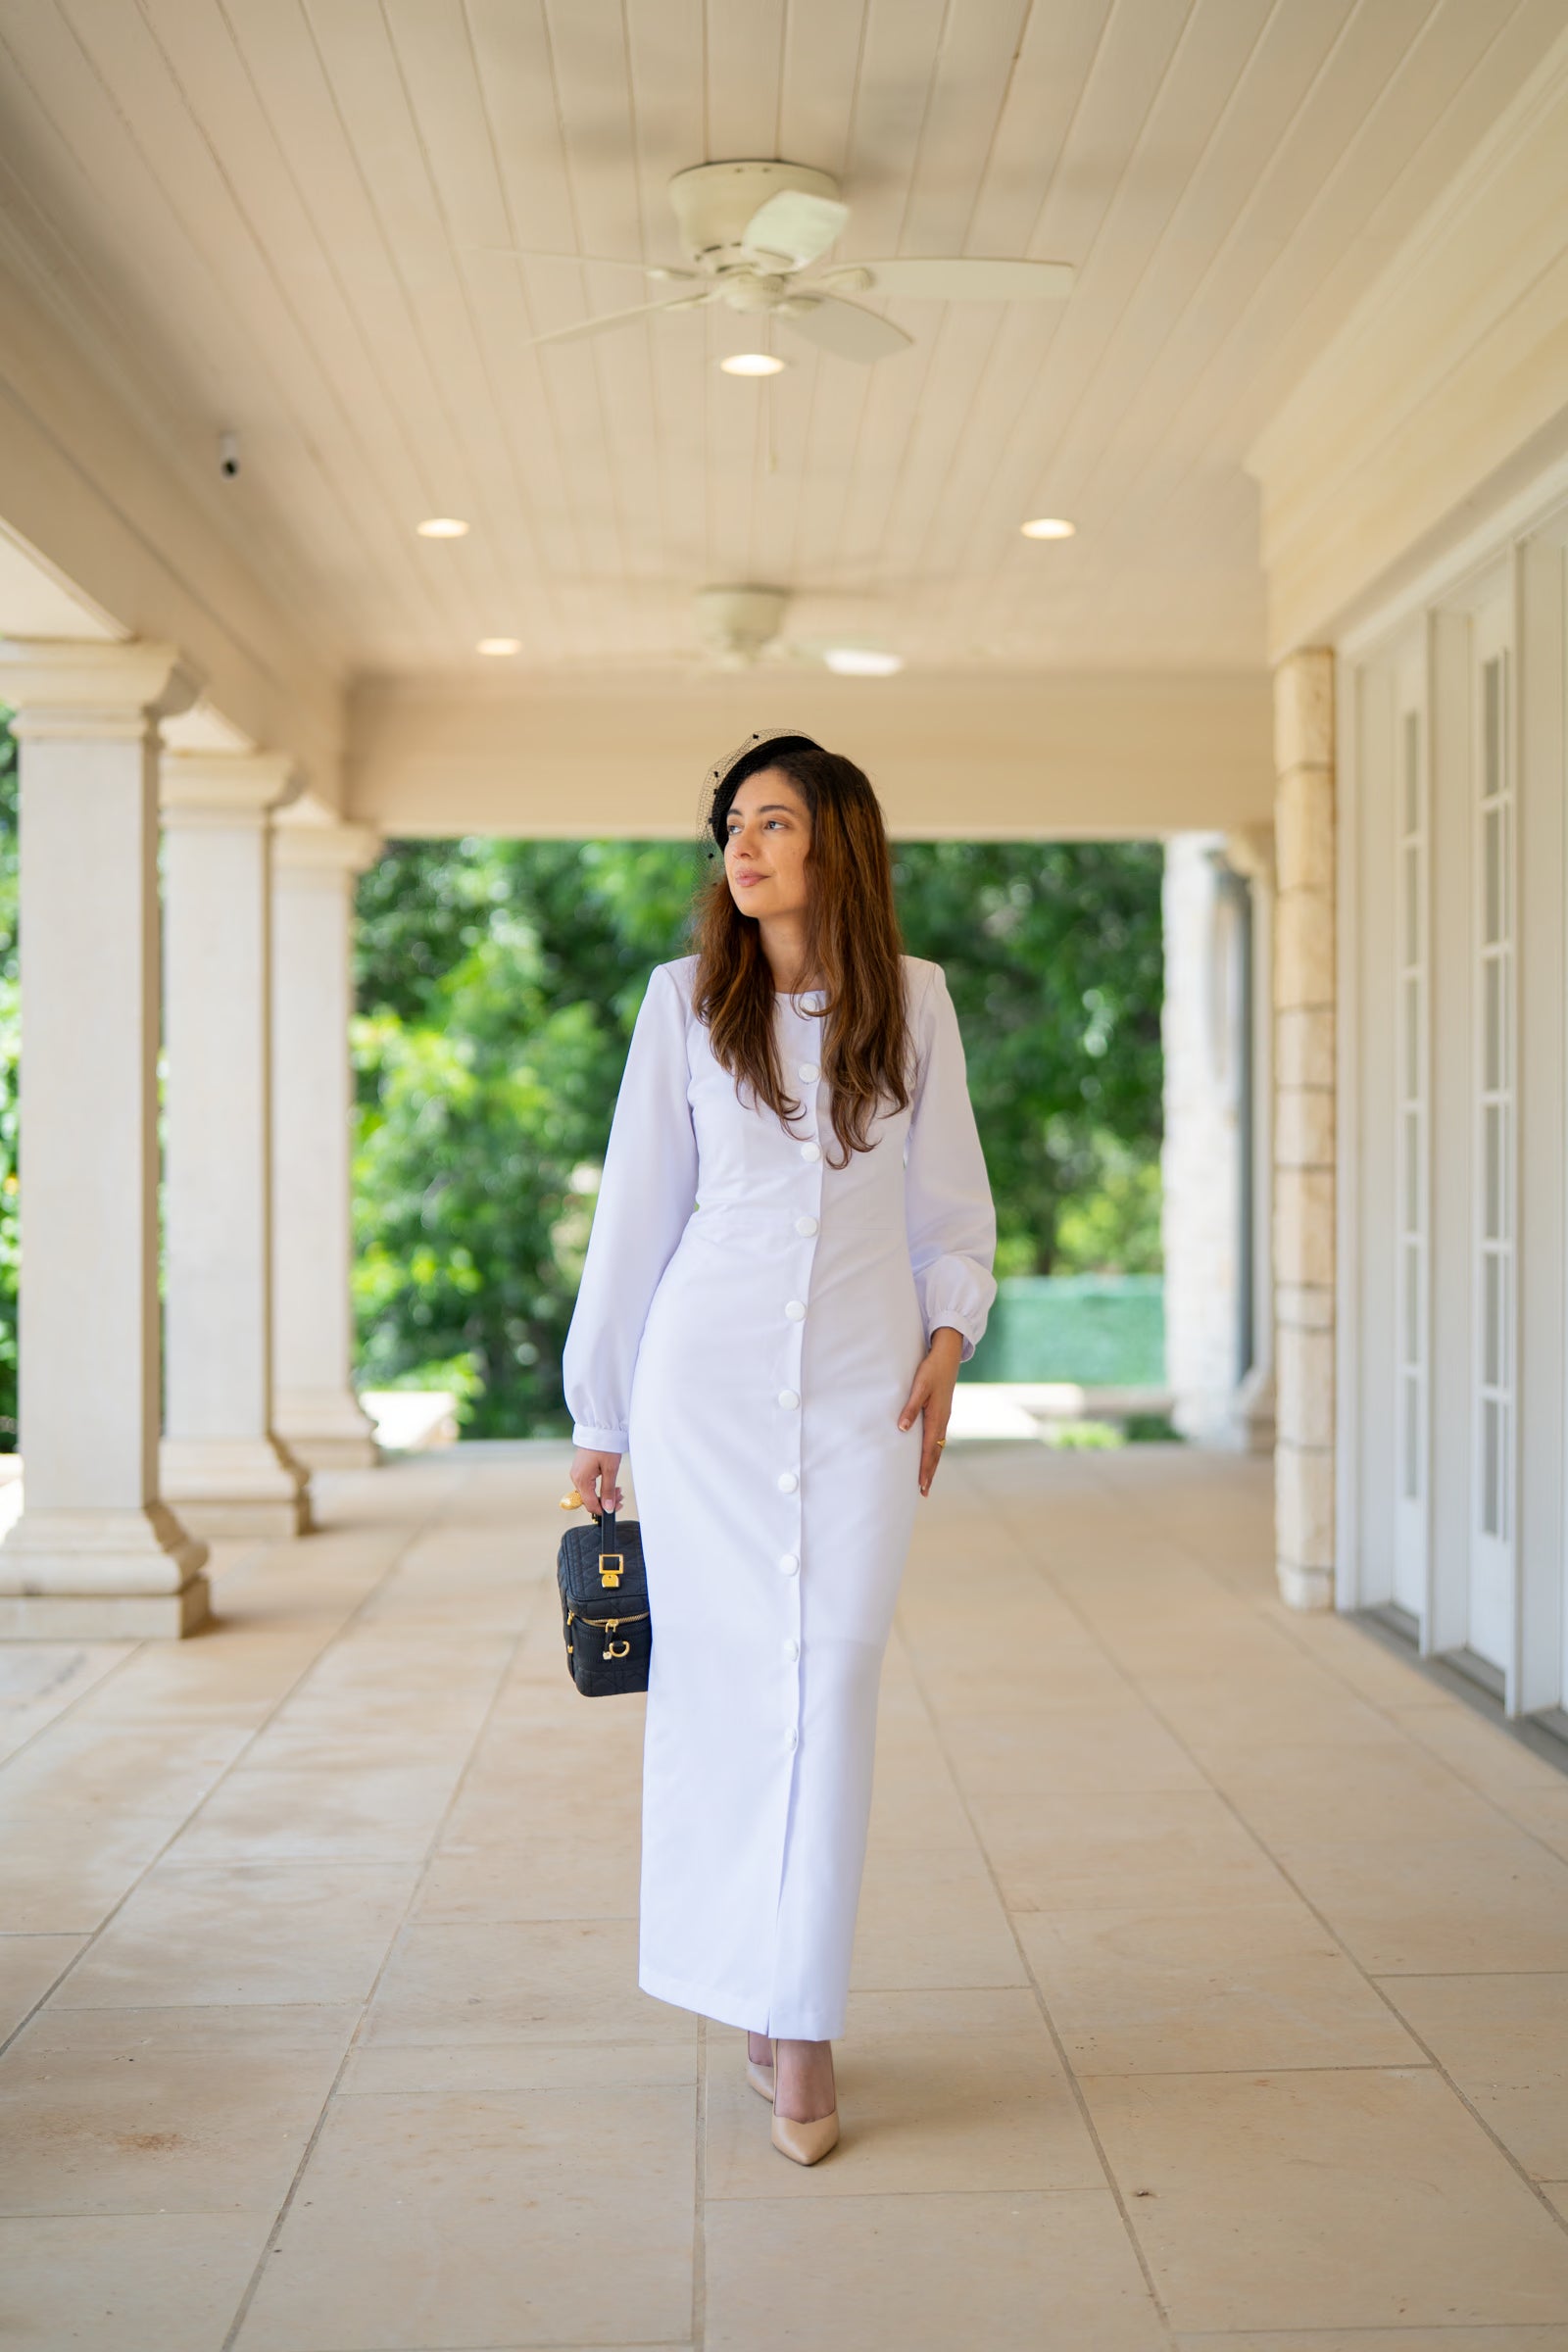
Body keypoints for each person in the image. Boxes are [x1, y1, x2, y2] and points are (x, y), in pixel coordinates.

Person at [563, 729, 997, 2165]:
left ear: (836, 845)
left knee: (837, 1675)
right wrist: (602, 1418)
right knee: (733, 1692)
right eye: (729, 828)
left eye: (769, 824)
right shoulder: (684, 1003)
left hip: (863, 1396)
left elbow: (950, 1212)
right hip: (706, 1393)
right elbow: (639, 1217)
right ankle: (790, 2029)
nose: (739, 851)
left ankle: (785, 1998)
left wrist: (949, 1341)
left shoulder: (916, 1004)